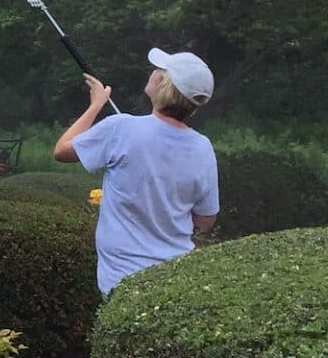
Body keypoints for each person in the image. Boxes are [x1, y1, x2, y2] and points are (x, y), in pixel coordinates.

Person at [54, 47, 220, 294]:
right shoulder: (203, 147)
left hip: (121, 281)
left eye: (159, 70)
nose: (153, 72)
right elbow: (205, 220)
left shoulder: (121, 128)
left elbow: (62, 151)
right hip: (176, 277)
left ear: (164, 84)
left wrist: (95, 105)